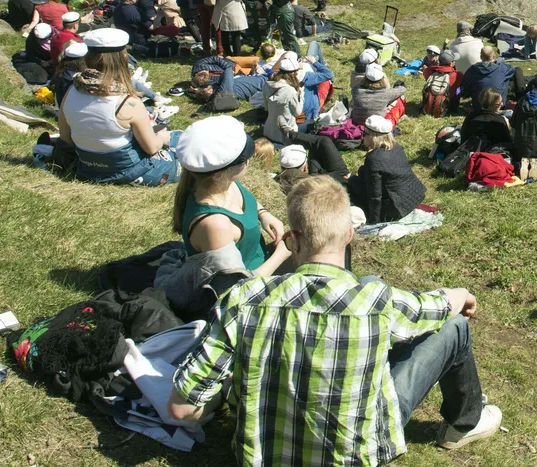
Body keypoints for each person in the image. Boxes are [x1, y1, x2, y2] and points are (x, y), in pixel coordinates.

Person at [168, 175, 502, 459]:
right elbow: (433, 308)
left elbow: (181, 408)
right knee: (455, 326)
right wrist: (458, 294)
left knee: (371, 282)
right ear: (349, 234)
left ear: (290, 240)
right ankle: (464, 423)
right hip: (355, 456)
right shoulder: (376, 303)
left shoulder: (242, 300)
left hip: (265, 457)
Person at [172, 115, 291, 278]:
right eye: (243, 159)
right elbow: (237, 287)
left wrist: (264, 214)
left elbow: (247, 200)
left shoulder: (224, 183)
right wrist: (282, 254)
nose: (248, 161)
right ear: (218, 174)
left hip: (262, 263)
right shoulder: (215, 225)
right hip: (254, 286)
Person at [58, 29, 181, 185]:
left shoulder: (71, 90)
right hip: (129, 171)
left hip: (87, 169)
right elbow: (151, 148)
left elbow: (65, 138)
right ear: (123, 59)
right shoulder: (127, 102)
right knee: (179, 139)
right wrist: (163, 137)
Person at [349, 115, 426, 224]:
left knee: (352, 189)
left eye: (364, 134)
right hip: (413, 197)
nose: (362, 137)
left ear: (373, 137)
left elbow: (375, 196)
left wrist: (374, 221)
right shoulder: (396, 147)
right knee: (362, 171)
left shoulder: (374, 159)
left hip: (397, 207)